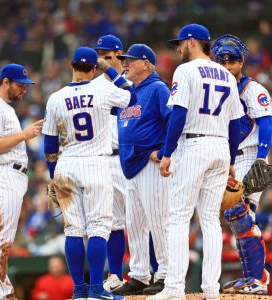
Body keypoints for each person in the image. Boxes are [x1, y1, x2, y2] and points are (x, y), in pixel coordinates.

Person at [149, 24, 243, 300]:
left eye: (180, 42)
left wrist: (167, 153)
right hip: (220, 146)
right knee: (211, 219)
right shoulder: (227, 75)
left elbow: (178, 114)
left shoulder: (186, 70)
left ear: (192, 42)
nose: (178, 47)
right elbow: (236, 123)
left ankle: (175, 288)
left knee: (178, 216)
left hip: (193, 144)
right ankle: (211, 289)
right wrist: (232, 160)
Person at [42, 46, 137, 300]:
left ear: (72, 66)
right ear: (94, 68)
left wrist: (53, 175)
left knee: (73, 230)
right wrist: (110, 71)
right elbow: (132, 96)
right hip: (95, 162)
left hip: (66, 164)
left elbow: (49, 145)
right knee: (98, 228)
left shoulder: (55, 97)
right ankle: (96, 289)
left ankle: (78, 291)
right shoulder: (102, 88)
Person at [211, 34, 272, 294]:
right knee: (234, 215)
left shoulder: (252, 89)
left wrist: (261, 157)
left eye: (232, 62)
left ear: (241, 63)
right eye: (222, 62)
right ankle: (252, 276)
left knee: (241, 214)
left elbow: (266, 123)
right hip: (230, 159)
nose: (227, 67)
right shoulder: (216, 90)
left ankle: (257, 279)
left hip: (250, 155)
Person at [0, 63, 44, 300]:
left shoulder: (3, 107)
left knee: (2, 239)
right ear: (6, 82)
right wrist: (24, 135)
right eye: (20, 85)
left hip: (9, 175)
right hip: (2, 175)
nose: (24, 90)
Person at [111, 43, 171, 296]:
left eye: (130, 60)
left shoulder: (158, 88)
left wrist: (166, 151)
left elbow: (174, 120)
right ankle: (139, 275)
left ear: (146, 63)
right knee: (134, 224)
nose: (125, 63)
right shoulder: (128, 92)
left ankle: (167, 274)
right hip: (130, 164)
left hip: (150, 162)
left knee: (159, 221)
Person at [93, 34, 128, 292]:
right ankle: (115, 274)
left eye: (108, 55)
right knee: (112, 222)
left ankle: (150, 272)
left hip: (131, 156)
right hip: (105, 158)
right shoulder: (93, 86)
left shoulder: (131, 81)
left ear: (120, 55)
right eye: (100, 55)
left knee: (142, 220)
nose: (103, 59)